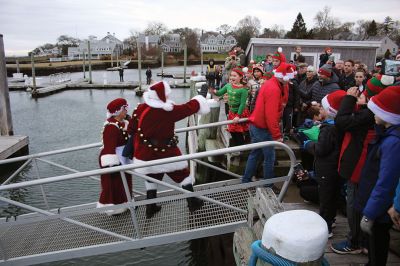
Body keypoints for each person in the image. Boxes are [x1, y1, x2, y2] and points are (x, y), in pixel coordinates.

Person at [127, 81, 210, 218]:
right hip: (164, 152)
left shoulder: (141, 108)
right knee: (183, 175)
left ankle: (151, 207)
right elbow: (188, 108)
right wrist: (201, 97)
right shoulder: (166, 111)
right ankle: (193, 202)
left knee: (152, 176)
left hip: (145, 153)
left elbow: (131, 128)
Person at [356, 85, 400, 266]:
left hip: (379, 210)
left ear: (388, 115)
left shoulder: (393, 143)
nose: (372, 113)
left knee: (378, 242)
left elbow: (386, 182)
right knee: (374, 243)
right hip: (375, 204)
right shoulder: (386, 135)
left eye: (377, 110)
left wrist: (370, 214)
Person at [241, 62, 294, 186]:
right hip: (262, 128)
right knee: (269, 157)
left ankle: (246, 180)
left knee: (255, 153)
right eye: (289, 78)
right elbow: (270, 115)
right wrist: (277, 135)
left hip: (255, 124)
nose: (290, 80)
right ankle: (268, 185)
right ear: (284, 77)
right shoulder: (274, 89)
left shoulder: (273, 83)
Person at [304, 90, 346, 238]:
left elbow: (321, 149)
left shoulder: (328, 129)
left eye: (322, 108)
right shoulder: (339, 126)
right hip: (336, 168)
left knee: (326, 198)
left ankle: (325, 227)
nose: (320, 109)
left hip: (327, 169)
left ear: (330, 111)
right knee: (333, 196)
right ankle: (331, 220)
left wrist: (308, 144)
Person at [97, 98, 132, 216]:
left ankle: (126, 203)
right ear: (118, 111)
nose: (126, 111)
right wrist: (112, 165)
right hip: (113, 158)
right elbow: (109, 147)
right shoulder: (111, 127)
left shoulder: (122, 123)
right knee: (114, 184)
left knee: (125, 180)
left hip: (122, 156)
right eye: (124, 109)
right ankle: (115, 208)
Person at [211, 67, 249, 149]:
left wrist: (238, 116)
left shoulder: (243, 90)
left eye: (235, 76)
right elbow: (219, 92)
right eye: (231, 75)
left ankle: (241, 148)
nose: (232, 77)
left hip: (240, 112)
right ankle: (236, 148)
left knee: (238, 132)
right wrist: (213, 90)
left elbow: (242, 104)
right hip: (231, 111)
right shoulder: (228, 85)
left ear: (240, 77)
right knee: (232, 131)